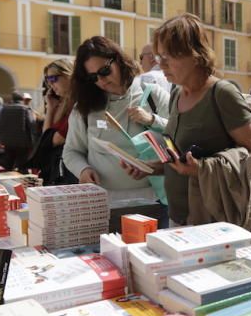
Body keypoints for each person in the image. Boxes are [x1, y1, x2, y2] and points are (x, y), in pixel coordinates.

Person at [139, 15, 251, 227]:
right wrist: (151, 167)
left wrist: (202, 168)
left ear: (195, 54)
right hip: (179, 218)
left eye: (168, 56)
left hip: (215, 221)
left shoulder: (223, 93)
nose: (161, 65)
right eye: (159, 57)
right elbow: (180, 160)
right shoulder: (177, 94)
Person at [62, 36, 170, 206]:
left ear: (119, 60)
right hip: (103, 203)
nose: (101, 80)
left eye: (104, 71)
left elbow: (178, 137)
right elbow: (71, 151)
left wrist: (152, 120)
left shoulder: (153, 95)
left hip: (154, 200)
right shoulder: (84, 108)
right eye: (93, 77)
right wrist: (83, 170)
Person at [30, 58, 77, 185]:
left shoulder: (78, 105)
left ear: (69, 75)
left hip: (72, 171)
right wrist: (50, 108)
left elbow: (54, 140)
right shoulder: (62, 105)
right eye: (47, 80)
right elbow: (47, 136)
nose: (50, 84)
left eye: (53, 79)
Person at [0, 92, 35, 172]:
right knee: (23, 166)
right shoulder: (25, 109)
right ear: (22, 99)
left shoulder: (5, 109)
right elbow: (32, 123)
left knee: (8, 165)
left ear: (12, 99)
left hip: (8, 142)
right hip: (23, 142)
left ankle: (8, 182)